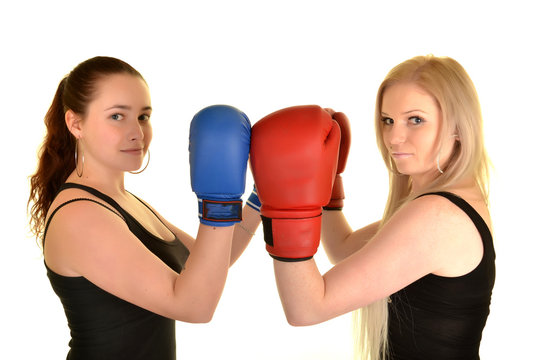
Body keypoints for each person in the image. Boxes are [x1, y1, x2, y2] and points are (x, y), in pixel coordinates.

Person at [250, 55, 494, 359]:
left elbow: (306, 309)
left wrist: (285, 205)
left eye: (415, 120)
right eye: (388, 120)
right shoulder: (451, 201)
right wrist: (326, 180)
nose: (394, 137)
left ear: (458, 127)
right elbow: (345, 249)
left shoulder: (438, 217)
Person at [27, 56, 261, 359]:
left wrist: (261, 195)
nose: (137, 132)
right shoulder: (80, 215)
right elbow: (194, 306)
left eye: (143, 116)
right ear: (76, 123)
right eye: (116, 116)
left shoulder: (122, 200)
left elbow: (211, 261)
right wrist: (219, 201)